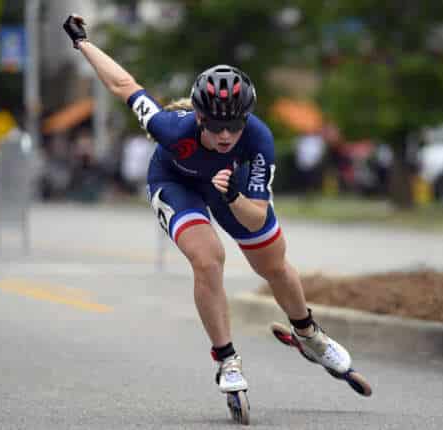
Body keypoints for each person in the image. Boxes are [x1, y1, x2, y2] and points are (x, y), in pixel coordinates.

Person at [63, 14, 358, 394]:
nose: (224, 135)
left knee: (273, 263)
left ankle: (310, 335)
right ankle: (227, 359)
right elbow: (124, 85)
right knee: (208, 259)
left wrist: (233, 193)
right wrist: (82, 42)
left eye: (233, 126)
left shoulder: (258, 141)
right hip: (176, 181)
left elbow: (254, 221)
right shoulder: (170, 128)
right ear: (198, 116)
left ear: (246, 119)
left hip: (229, 188)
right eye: (215, 126)